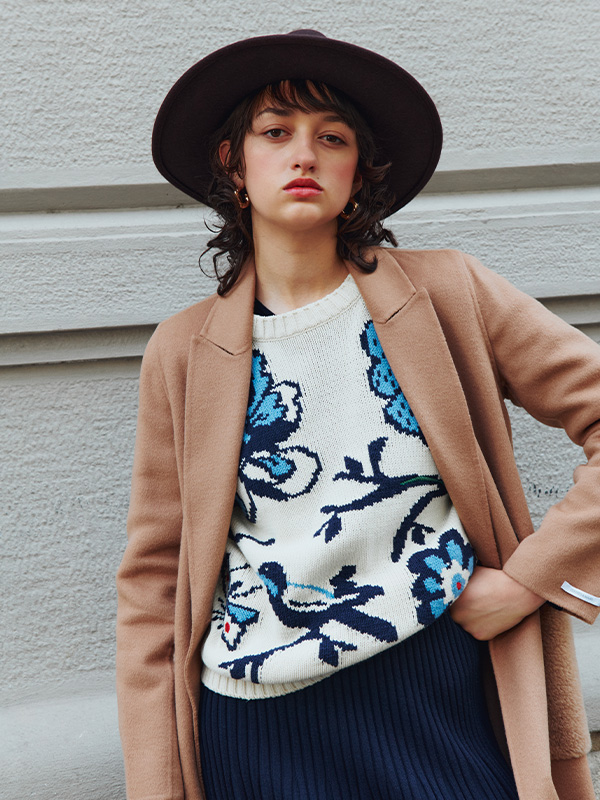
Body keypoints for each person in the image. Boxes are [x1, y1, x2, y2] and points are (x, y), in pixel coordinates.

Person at [116, 30, 600, 800]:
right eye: (276, 132)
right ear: (233, 163)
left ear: (359, 171)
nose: (304, 155)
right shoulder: (182, 352)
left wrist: (529, 581)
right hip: (256, 727)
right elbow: (153, 584)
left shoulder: (450, 295)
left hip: (434, 697)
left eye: (332, 138)